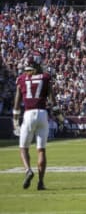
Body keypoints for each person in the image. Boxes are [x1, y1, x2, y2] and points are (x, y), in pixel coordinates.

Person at [13, 58, 54, 190]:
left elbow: (17, 101)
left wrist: (15, 120)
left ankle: (28, 170)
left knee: (23, 148)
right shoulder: (46, 78)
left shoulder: (21, 79)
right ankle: (41, 183)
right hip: (42, 113)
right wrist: (59, 116)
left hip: (29, 113)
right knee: (41, 150)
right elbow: (52, 100)